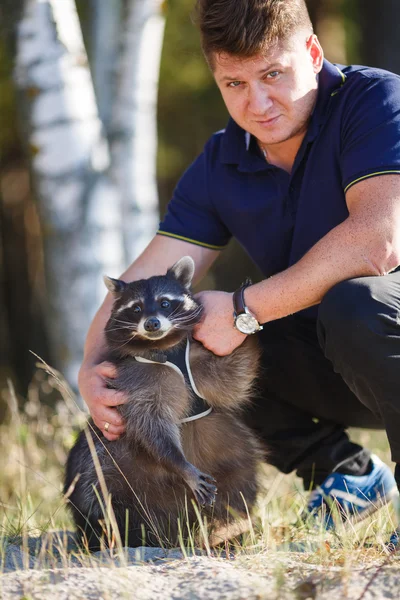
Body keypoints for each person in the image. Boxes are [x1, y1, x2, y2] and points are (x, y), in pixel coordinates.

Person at [78, 0, 400, 537]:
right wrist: (92, 370)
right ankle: (345, 474)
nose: (258, 102)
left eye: (273, 74)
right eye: (235, 83)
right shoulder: (221, 162)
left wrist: (245, 310)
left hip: (384, 329)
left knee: (353, 301)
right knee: (198, 335)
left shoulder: (375, 101)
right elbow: (142, 279)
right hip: (346, 364)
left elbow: (379, 243)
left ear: (313, 52)